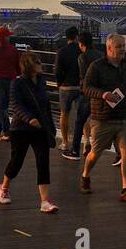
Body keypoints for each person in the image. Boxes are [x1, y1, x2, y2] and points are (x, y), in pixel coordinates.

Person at [80, 32, 126, 202]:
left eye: (123, 46)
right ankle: (85, 175)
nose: (122, 49)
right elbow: (86, 88)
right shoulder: (96, 66)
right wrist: (103, 94)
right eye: (119, 46)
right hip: (103, 118)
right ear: (109, 48)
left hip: (124, 117)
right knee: (95, 153)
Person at [0, 51, 58, 213]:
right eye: (37, 62)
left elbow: (45, 106)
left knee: (43, 161)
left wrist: (51, 128)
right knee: (17, 161)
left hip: (40, 129)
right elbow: (15, 105)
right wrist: (30, 118)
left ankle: (45, 201)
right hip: (21, 128)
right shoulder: (17, 83)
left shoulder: (41, 82)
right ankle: (4, 187)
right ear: (29, 66)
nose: (41, 65)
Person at [65, 30, 101, 160]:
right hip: (100, 93)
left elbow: (83, 76)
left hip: (87, 93)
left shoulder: (82, 57)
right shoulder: (100, 55)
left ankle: (75, 150)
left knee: (80, 121)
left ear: (80, 44)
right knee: (105, 120)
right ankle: (119, 153)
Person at [54, 25, 80, 153]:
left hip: (66, 86)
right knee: (83, 116)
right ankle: (86, 141)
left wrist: (59, 84)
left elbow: (57, 71)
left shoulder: (62, 51)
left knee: (64, 114)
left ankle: (65, 142)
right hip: (80, 87)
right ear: (77, 37)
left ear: (66, 37)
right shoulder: (82, 51)